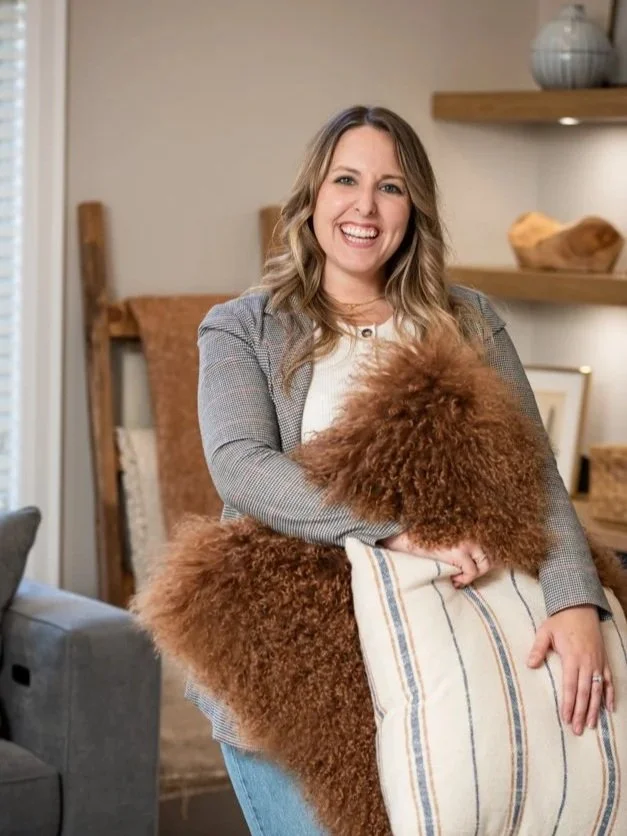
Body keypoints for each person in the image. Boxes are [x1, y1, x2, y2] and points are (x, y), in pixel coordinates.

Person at [186, 105, 615, 835]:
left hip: (458, 647)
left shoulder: (468, 318)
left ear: (412, 207)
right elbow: (241, 467)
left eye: (389, 186)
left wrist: (576, 604)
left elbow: (535, 474)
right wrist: (398, 531)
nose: (364, 205)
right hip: (302, 651)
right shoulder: (243, 326)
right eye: (344, 179)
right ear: (311, 198)